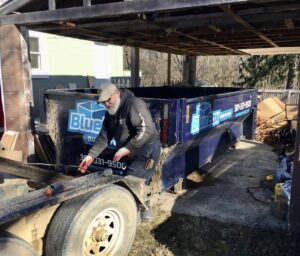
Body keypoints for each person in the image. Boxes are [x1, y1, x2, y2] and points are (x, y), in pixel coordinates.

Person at [78, 82, 161, 220]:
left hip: (147, 150)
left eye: (108, 100)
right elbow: (103, 137)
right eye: (103, 102)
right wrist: (90, 156)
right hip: (132, 151)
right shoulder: (110, 113)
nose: (106, 104)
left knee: (131, 184)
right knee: (136, 182)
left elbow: (147, 129)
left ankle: (132, 217)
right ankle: (143, 207)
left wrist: (127, 148)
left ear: (116, 93)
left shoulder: (134, 104)